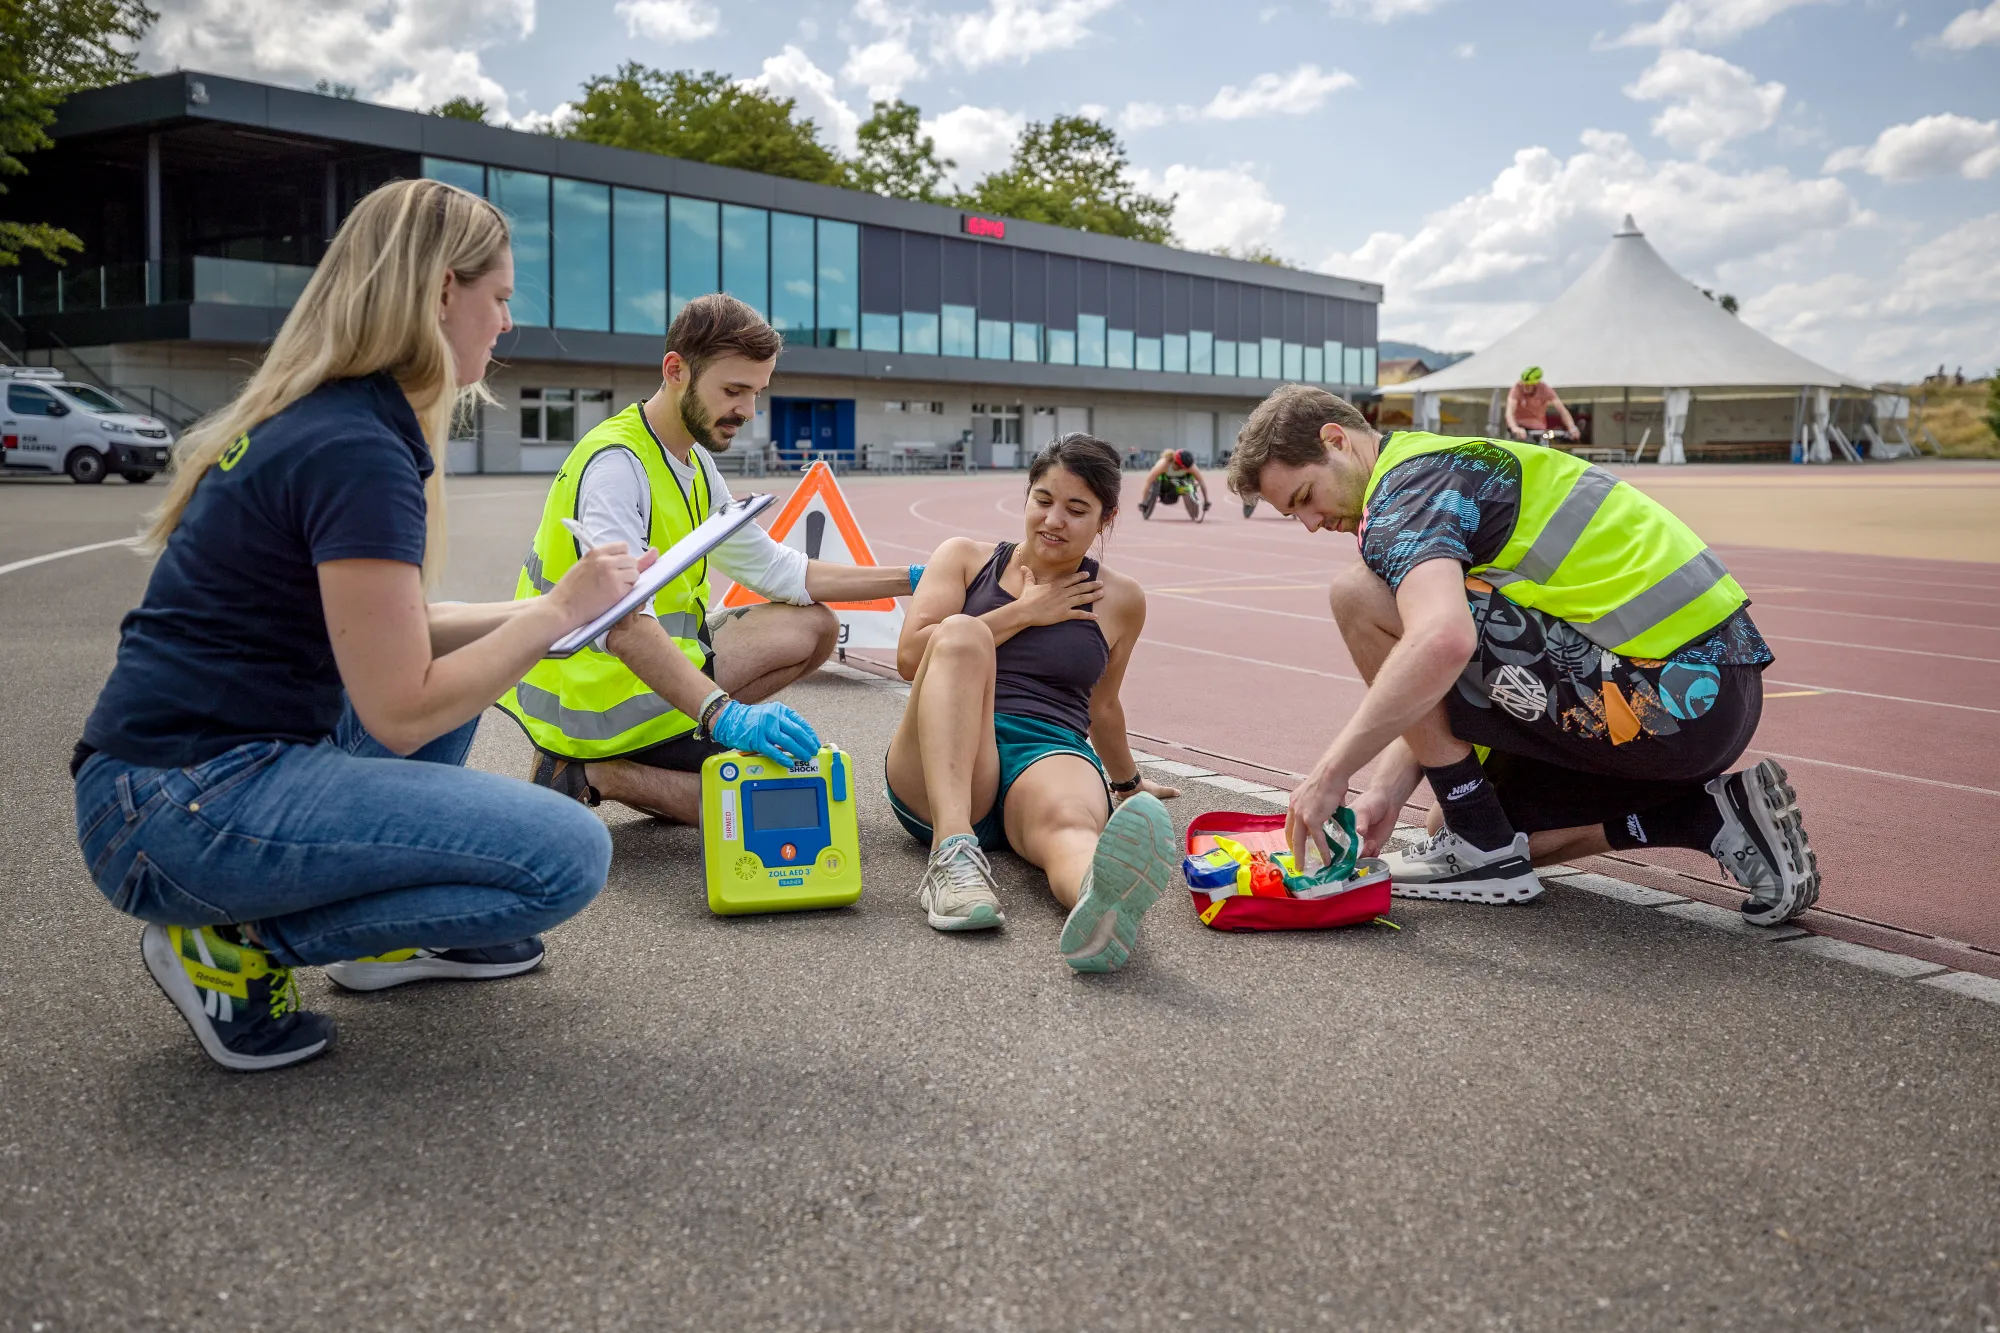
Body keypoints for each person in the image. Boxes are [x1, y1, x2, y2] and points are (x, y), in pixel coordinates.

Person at [71, 178, 647, 1072]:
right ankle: (233, 946)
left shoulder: (332, 416)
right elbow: (401, 709)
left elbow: (409, 625)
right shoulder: (357, 447)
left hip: (173, 779)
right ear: (440, 291)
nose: (504, 324)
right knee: (565, 856)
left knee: (469, 658)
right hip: (177, 808)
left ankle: (382, 942)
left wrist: (569, 611)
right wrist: (558, 611)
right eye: (498, 299)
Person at [1226, 384, 1819, 927]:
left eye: (1305, 496)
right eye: (1292, 513)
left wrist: (1331, 775)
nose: (1308, 523)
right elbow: (1437, 660)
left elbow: (1443, 641)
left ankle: (1481, 849)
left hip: (1666, 692)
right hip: (1710, 697)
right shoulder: (1433, 461)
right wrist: (1384, 791)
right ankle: (1714, 818)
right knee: (1454, 823)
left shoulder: (1404, 494)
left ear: (1337, 439)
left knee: (1357, 594)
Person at [506, 294, 922, 823]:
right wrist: (723, 715)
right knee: (768, 810)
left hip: (643, 675)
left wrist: (911, 580)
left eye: (756, 392)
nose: (748, 411)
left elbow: (778, 570)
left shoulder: (694, 459)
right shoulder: (615, 467)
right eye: (733, 390)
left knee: (813, 625)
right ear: (676, 369)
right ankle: (591, 770)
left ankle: (663, 752)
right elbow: (627, 629)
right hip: (594, 698)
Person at [886, 433, 1181, 972]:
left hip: (1047, 753)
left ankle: (1101, 905)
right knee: (959, 635)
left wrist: (1130, 785)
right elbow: (910, 656)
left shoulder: (1121, 599)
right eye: (1043, 501)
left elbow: (1104, 706)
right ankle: (952, 860)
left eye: (1076, 509)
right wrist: (1024, 612)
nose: (1054, 520)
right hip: (947, 755)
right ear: (1026, 497)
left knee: (1072, 824)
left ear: (1104, 520)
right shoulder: (962, 558)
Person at [1505, 367, 1579, 442]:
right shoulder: (1517, 388)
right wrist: (1514, 428)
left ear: (1536, 384)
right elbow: (1509, 413)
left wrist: (1572, 427)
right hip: (1520, 429)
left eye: (1529, 385)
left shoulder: (1545, 389)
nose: (1525, 387)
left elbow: (1562, 411)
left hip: (1538, 430)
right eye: (1524, 384)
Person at [1139, 447, 1211, 518]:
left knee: (1190, 484)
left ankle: (1187, 491)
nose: (1188, 469)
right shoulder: (1164, 464)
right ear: (1178, 464)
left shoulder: (1191, 467)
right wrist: (1144, 501)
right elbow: (1148, 482)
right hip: (1164, 487)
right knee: (1155, 480)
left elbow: (1201, 482)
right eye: (1185, 468)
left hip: (1179, 487)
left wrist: (1206, 500)